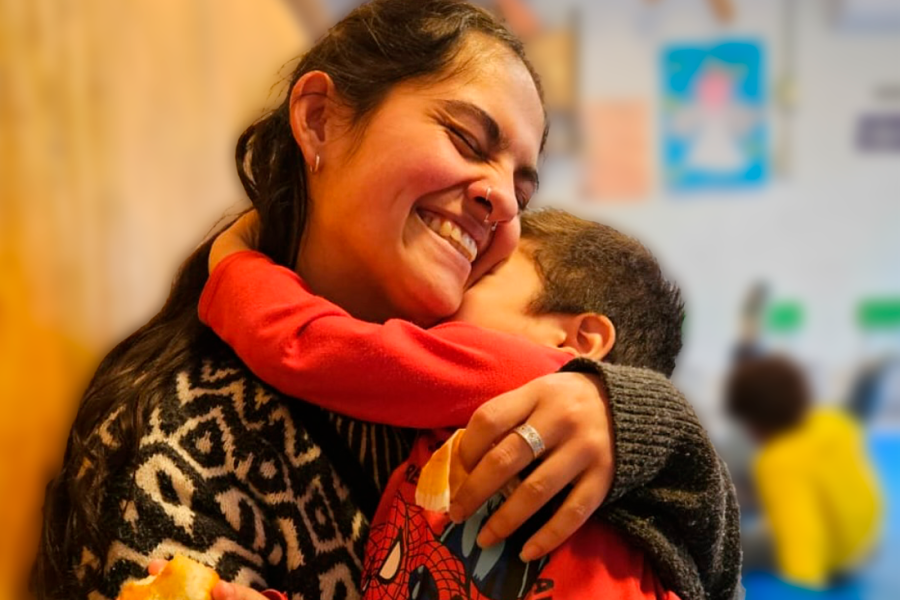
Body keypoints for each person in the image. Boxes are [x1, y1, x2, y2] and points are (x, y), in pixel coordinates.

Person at [35, 1, 739, 599]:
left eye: (522, 194)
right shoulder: (189, 435)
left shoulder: (531, 406)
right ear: (319, 121)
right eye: (467, 138)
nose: (499, 201)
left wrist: (650, 425)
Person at [198, 207, 687, 599]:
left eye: (482, 278)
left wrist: (233, 262)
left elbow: (310, 347)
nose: (451, 291)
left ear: (579, 339)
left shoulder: (531, 371)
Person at [726, 355, 882, 590]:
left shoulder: (777, 462)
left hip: (831, 559)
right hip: (861, 542)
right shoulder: (832, 421)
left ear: (754, 421)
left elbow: (802, 537)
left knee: (732, 547)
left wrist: (803, 583)